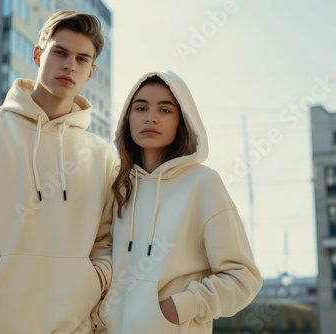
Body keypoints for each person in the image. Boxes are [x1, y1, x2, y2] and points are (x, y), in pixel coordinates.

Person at [0, 11, 117, 334]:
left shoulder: (102, 156)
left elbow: (108, 242)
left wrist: (91, 283)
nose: (70, 65)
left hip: (73, 327)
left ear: (91, 72)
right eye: (60, 53)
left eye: (82, 59)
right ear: (38, 54)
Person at [96, 71, 262, 334]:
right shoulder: (118, 187)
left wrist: (176, 309)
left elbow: (243, 278)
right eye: (141, 108)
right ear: (128, 118)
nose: (150, 117)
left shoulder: (203, 184)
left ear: (181, 120)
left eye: (165, 110)